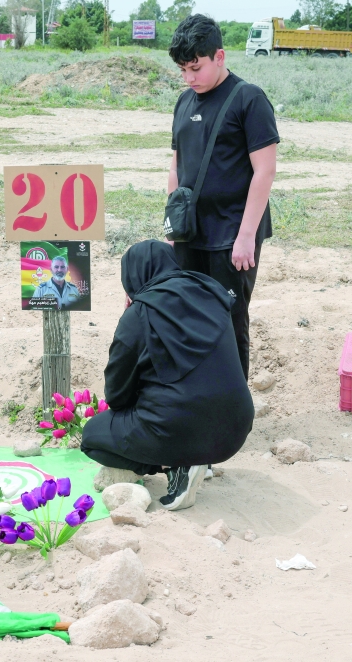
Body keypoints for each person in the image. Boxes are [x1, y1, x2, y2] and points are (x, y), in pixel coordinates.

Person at [80, 240, 254, 510]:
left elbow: (116, 395)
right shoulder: (212, 293)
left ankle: (177, 466)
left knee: (92, 436)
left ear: (132, 276)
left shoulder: (139, 313)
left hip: (177, 430)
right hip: (235, 429)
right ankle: (199, 460)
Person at [167, 14, 279, 380]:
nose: (189, 78)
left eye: (195, 68)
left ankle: (233, 408)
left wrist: (247, 236)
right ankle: (198, 401)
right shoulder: (184, 102)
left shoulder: (248, 98)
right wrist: (173, 227)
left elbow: (265, 170)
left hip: (232, 235)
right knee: (187, 318)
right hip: (190, 234)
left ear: (220, 56)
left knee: (229, 321)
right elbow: (176, 166)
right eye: (183, 70)